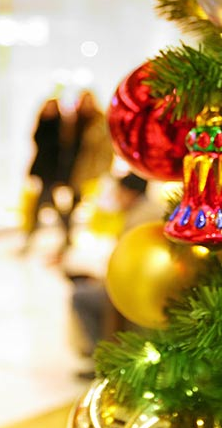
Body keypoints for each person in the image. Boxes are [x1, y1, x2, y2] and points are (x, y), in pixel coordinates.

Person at [68, 173, 159, 375]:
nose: (116, 197)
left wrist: (101, 280)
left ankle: (104, 360)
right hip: (145, 289)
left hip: (136, 293)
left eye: (119, 192)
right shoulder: (150, 210)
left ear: (130, 193)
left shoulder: (139, 219)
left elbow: (128, 267)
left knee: (81, 296)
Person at [58, 90, 114, 256]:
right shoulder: (73, 122)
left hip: (90, 173)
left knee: (90, 208)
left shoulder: (100, 122)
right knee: (69, 207)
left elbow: (106, 150)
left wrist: (103, 171)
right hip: (72, 171)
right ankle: (69, 238)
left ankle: (91, 245)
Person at [21, 97, 68, 255]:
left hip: (52, 175)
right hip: (44, 174)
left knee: (42, 207)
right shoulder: (43, 124)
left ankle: (31, 237)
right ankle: (66, 235)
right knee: (48, 207)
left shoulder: (61, 128)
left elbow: (60, 153)